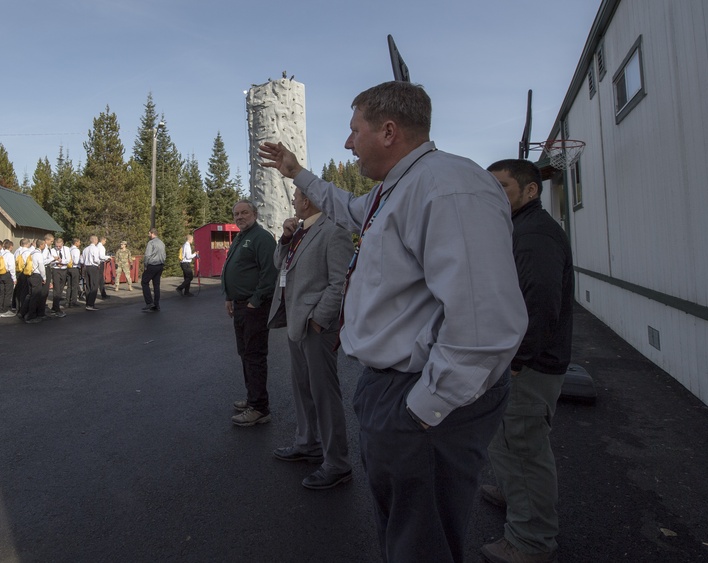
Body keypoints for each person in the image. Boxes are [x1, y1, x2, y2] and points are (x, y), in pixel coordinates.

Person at [259, 81, 527, 562]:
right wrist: (296, 171)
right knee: (404, 528)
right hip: (393, 389)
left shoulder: (448, 187)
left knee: (420, 540)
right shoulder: (396, 189)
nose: (347, 143)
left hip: (419, 397)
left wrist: (424, 410)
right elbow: (344, 208)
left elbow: (485, 325)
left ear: (387, 131)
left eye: (353, 130)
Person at [480, 159, 574, 563]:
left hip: (529, 365)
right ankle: (510, 492)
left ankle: (530, 540)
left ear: (530, 191)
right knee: (509, 442)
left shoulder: (535, 234)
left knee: (522, 447)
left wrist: (518, 359)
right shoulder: (520, 227)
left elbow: (539, 301)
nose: (493, 195)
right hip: (520, 359)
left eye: (501, 187)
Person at [267, 188, 354, 489]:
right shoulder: (300, 231)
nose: (292, 201)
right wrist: (285, 239)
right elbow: (280, 264)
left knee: (324, 394)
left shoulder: (334, 231)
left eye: (295, 197)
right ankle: (308, 443)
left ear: (307, 200)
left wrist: (319, 320)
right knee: (302, 388)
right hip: (295, 322)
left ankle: (337, 463)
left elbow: (340, 281)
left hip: (315, 326)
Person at [221, 200, 278, 426]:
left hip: (254, 307)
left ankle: (260, 408)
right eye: (236, 213)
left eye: (244, 212)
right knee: (245, 353)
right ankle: (252, 398)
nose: (239, 216)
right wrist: (228, 296)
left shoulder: (261, 238)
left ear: (254, 214)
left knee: (254, 355)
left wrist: (255, 300)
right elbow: (232, 269)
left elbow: (270, 273)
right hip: (239, 305)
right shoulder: (241, 237)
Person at [140, 228, 166, 313]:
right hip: (160, 265)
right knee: (156, 285)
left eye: (149, 233)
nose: (148, 235)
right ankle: (156, 305)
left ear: (152, 233)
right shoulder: (161, 243)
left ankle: (149, 302)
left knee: (144, 282)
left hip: (152, 265)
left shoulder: (151, 243)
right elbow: (164, 255)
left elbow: (147, 255)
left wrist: (145, 265)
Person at [50, 237, 70, 318]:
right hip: (56, 270)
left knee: (61, 289)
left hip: (64, 270)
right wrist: (56, 263)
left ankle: (54, 307)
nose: (58, 248)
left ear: (62, 244)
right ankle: (56, 308)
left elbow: (68, 259)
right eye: (57, 246)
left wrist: (62, 261)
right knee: (56, 289)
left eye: (59, 246)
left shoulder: (67, 249)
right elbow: (50, 261)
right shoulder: (52, 250)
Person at [81, 236, 102, 311]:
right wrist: (100, 262)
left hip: (86, 267)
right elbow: (96, 259)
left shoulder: (85, 249)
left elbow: (82, 260)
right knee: (94, 285)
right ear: (95, 240)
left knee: (88, 285)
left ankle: (87, 303)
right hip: (93, 267)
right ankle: (91, 304)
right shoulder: (95, 249)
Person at [0, 240, 16, 318]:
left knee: (1, 293)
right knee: (8, 293)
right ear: (10, 247)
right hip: (7, 275)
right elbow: (12, 268)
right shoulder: (10, 255)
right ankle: (5, 310)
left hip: (1, 274)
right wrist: (14, 278)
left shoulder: (0, 255)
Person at [67, 238, 82, 307]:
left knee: (69, 286)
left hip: (68, 268)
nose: (80, 244)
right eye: (79, 242)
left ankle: (68, 301)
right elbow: (76, 261)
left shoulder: (69, 249)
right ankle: (73, 301)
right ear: (76, 243)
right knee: (75, 285)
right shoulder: (76, 250)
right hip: (75, 268)